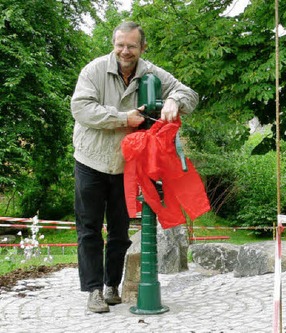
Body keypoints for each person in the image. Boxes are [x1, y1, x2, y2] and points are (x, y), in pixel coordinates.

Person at [71, 22, 198, 313]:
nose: (125, 51)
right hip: (90, 161)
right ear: (113, 44)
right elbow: (81, 109)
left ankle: (111, 285)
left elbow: (189, 94)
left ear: (142, 48)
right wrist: (122, 118)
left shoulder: (151, 72)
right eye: (120, 45)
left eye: (131, 46)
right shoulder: (93, 71)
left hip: (126, 166)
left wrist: (173, 101)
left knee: (120, 231)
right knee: (89, 228)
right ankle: (92, 290)